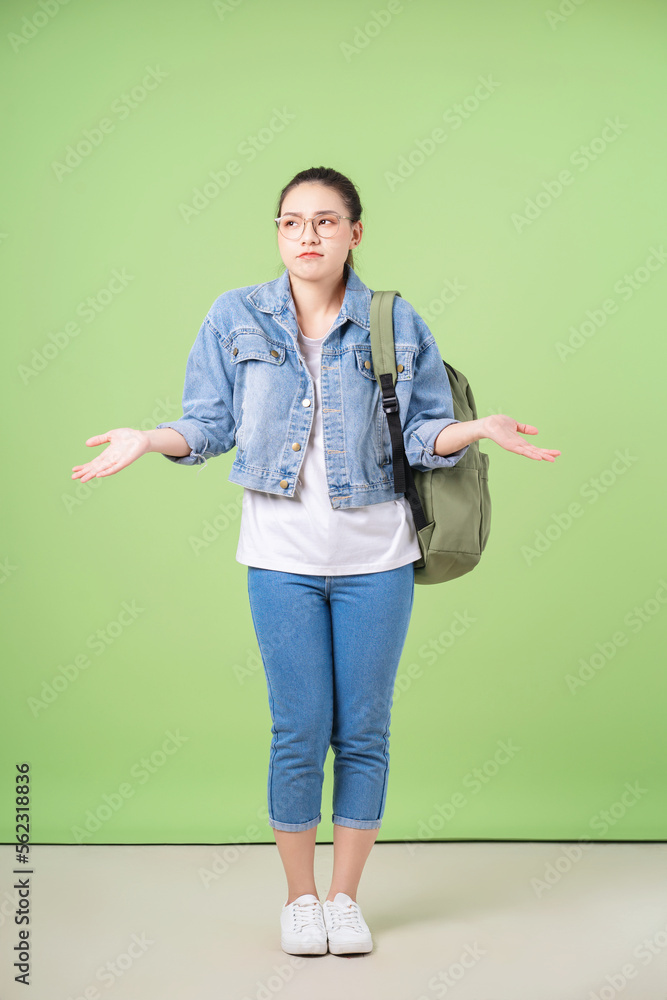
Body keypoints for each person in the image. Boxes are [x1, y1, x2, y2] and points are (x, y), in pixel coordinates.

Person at [72, 166, 560, 958]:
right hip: (278, 558)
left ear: (354, 233)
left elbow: (419, 433)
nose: (308, 235)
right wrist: (147, 438)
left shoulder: (393, 322)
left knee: (363, 729)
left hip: (378, 559)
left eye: (326, 222)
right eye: (292, 222)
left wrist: (474, 431)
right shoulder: (235, 316)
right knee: (299, 729)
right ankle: (299, 899)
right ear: (277, 234)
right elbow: (207, 424)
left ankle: (344, 899)